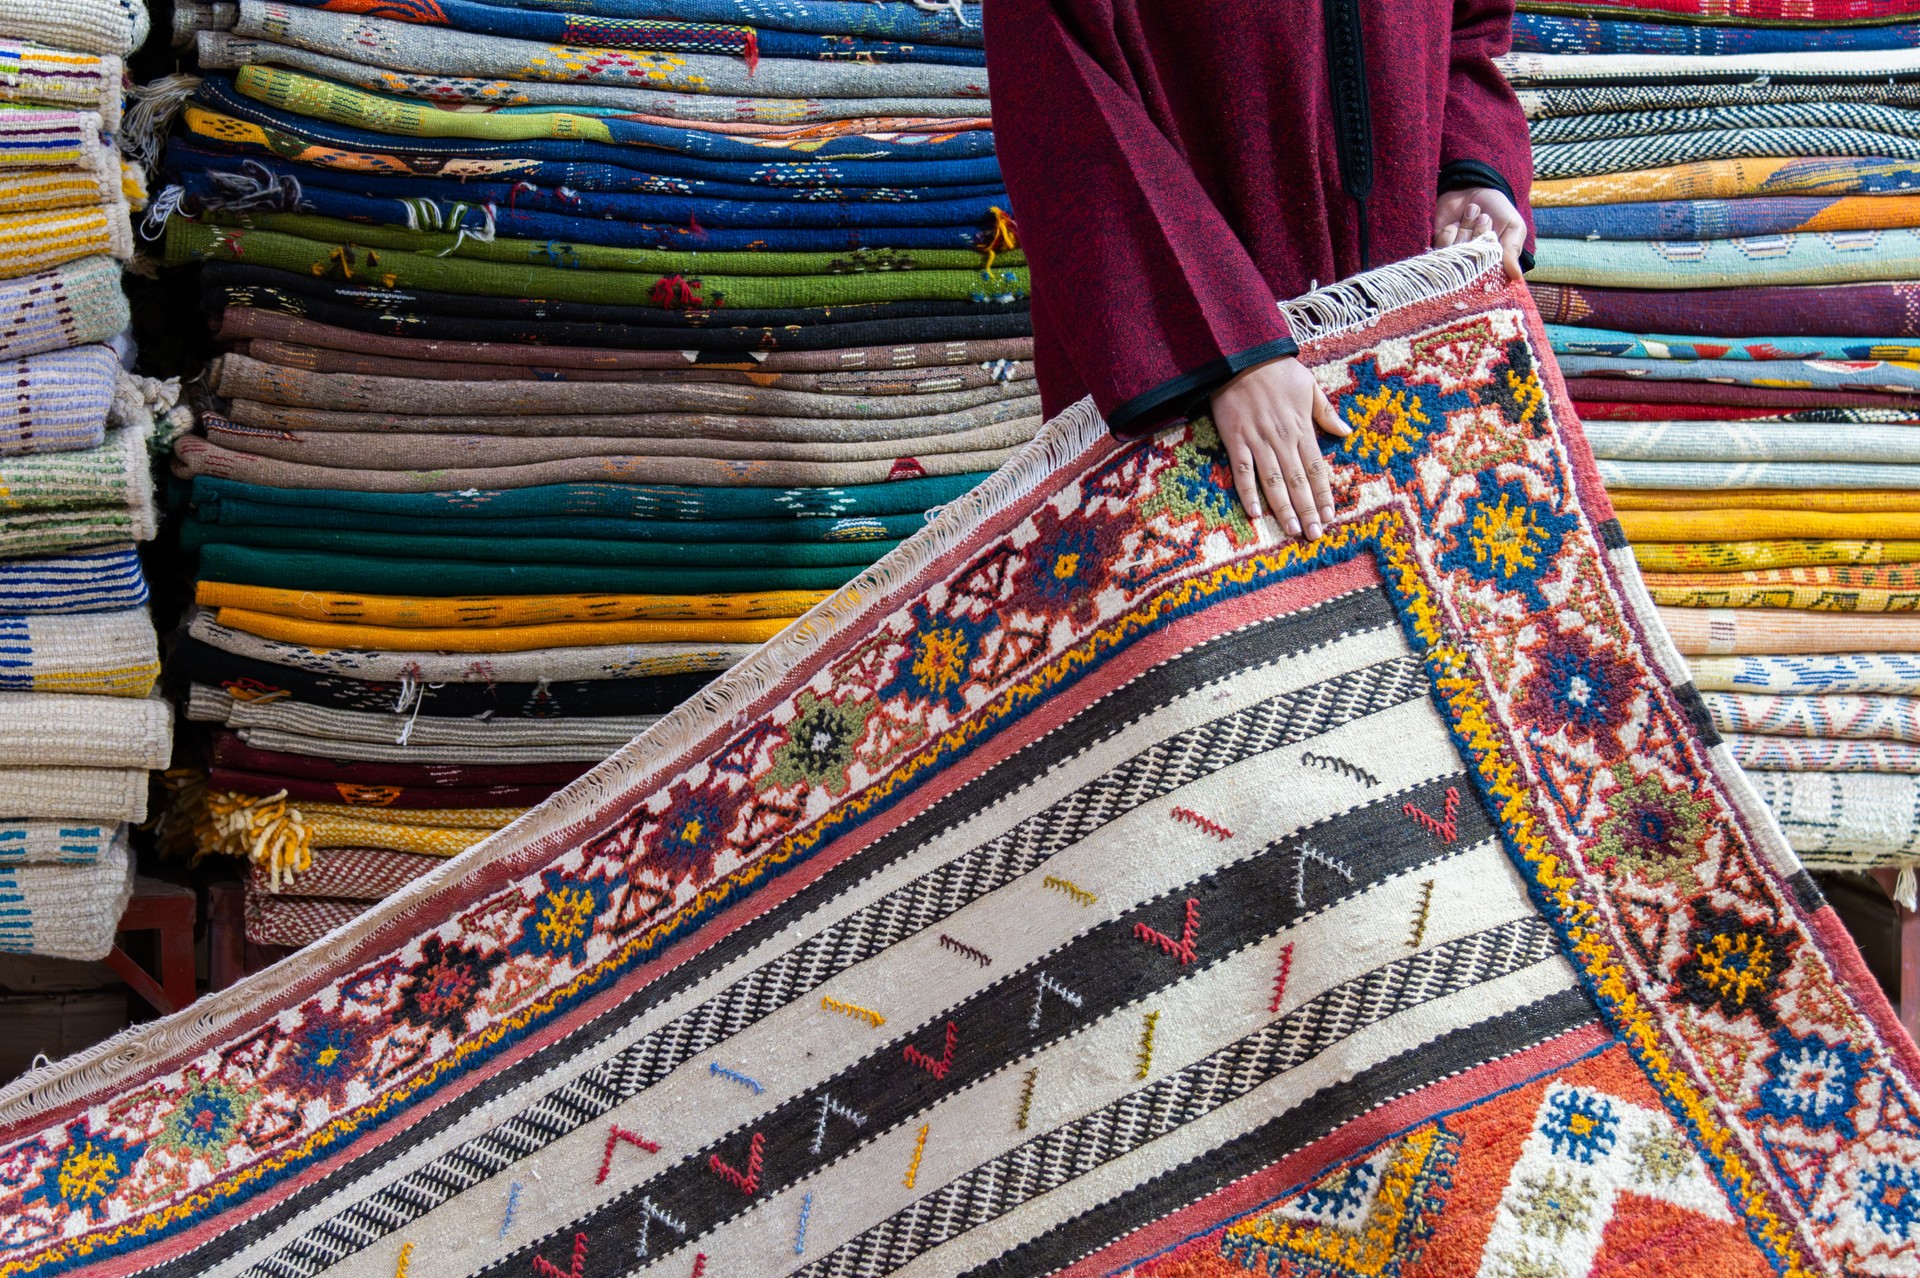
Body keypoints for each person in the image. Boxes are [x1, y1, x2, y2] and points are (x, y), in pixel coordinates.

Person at [984, 0, 1535, 537]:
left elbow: (1472, 30)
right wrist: (1226, 346)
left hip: (1413, 329)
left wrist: (1469, 170)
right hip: (1191, 375)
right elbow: (1057, 83)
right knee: (1202, 617)